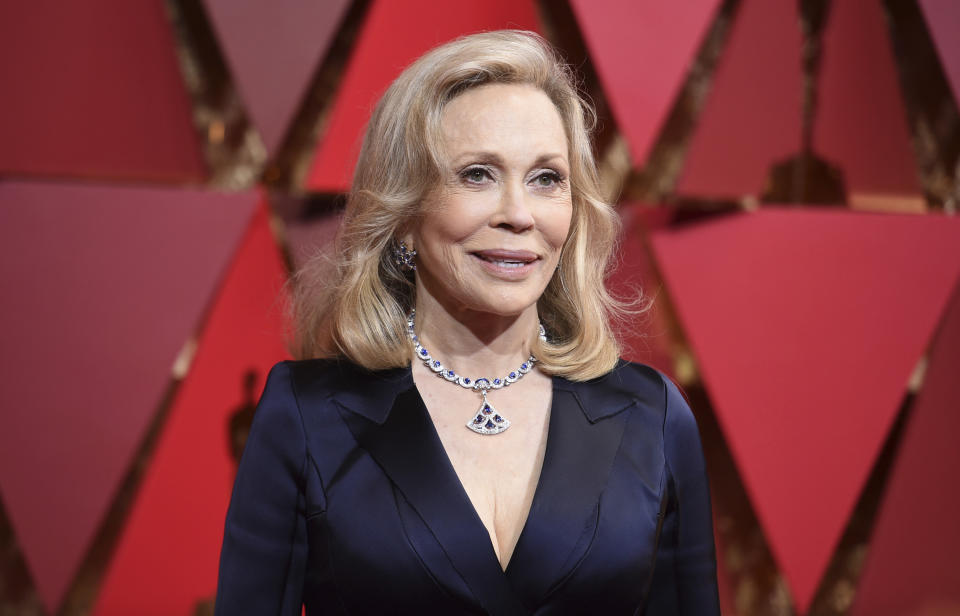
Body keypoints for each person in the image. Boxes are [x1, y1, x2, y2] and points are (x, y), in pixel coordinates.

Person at [214, 30, 721, 615]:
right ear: (403, 214)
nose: (518, 214)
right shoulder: (304, 416)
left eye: (546, 178)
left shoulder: (652, 418)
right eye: (477, 174)